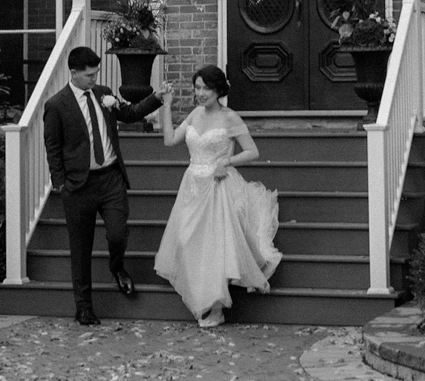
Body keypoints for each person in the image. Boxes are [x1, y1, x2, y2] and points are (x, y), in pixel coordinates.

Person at [42, 46, 167, 326]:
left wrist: (156, 98)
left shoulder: (103, 94)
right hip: (78, 185)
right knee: (81, 248)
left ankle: (117, 268)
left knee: (118, 233)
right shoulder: (57, 105)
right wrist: (61, 185)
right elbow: (52, 147)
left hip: (110, 178)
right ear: (73, 73)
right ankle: (84, 307)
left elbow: (130, 113)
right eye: (89, 75)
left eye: (96, 73)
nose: (94, 79)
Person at [153, 64, 282, 327]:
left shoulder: (230, 117)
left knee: (215, 246)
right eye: (197, 88)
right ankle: (202, 297)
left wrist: (226, 161)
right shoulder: (194, 114)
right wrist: (166, 105)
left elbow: (253, 152)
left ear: (218, 90)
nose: (201, 93)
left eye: (206, 88)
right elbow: (170, 140)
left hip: (218, 185)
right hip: (192, 186)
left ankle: (216, 308)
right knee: (188, 240)